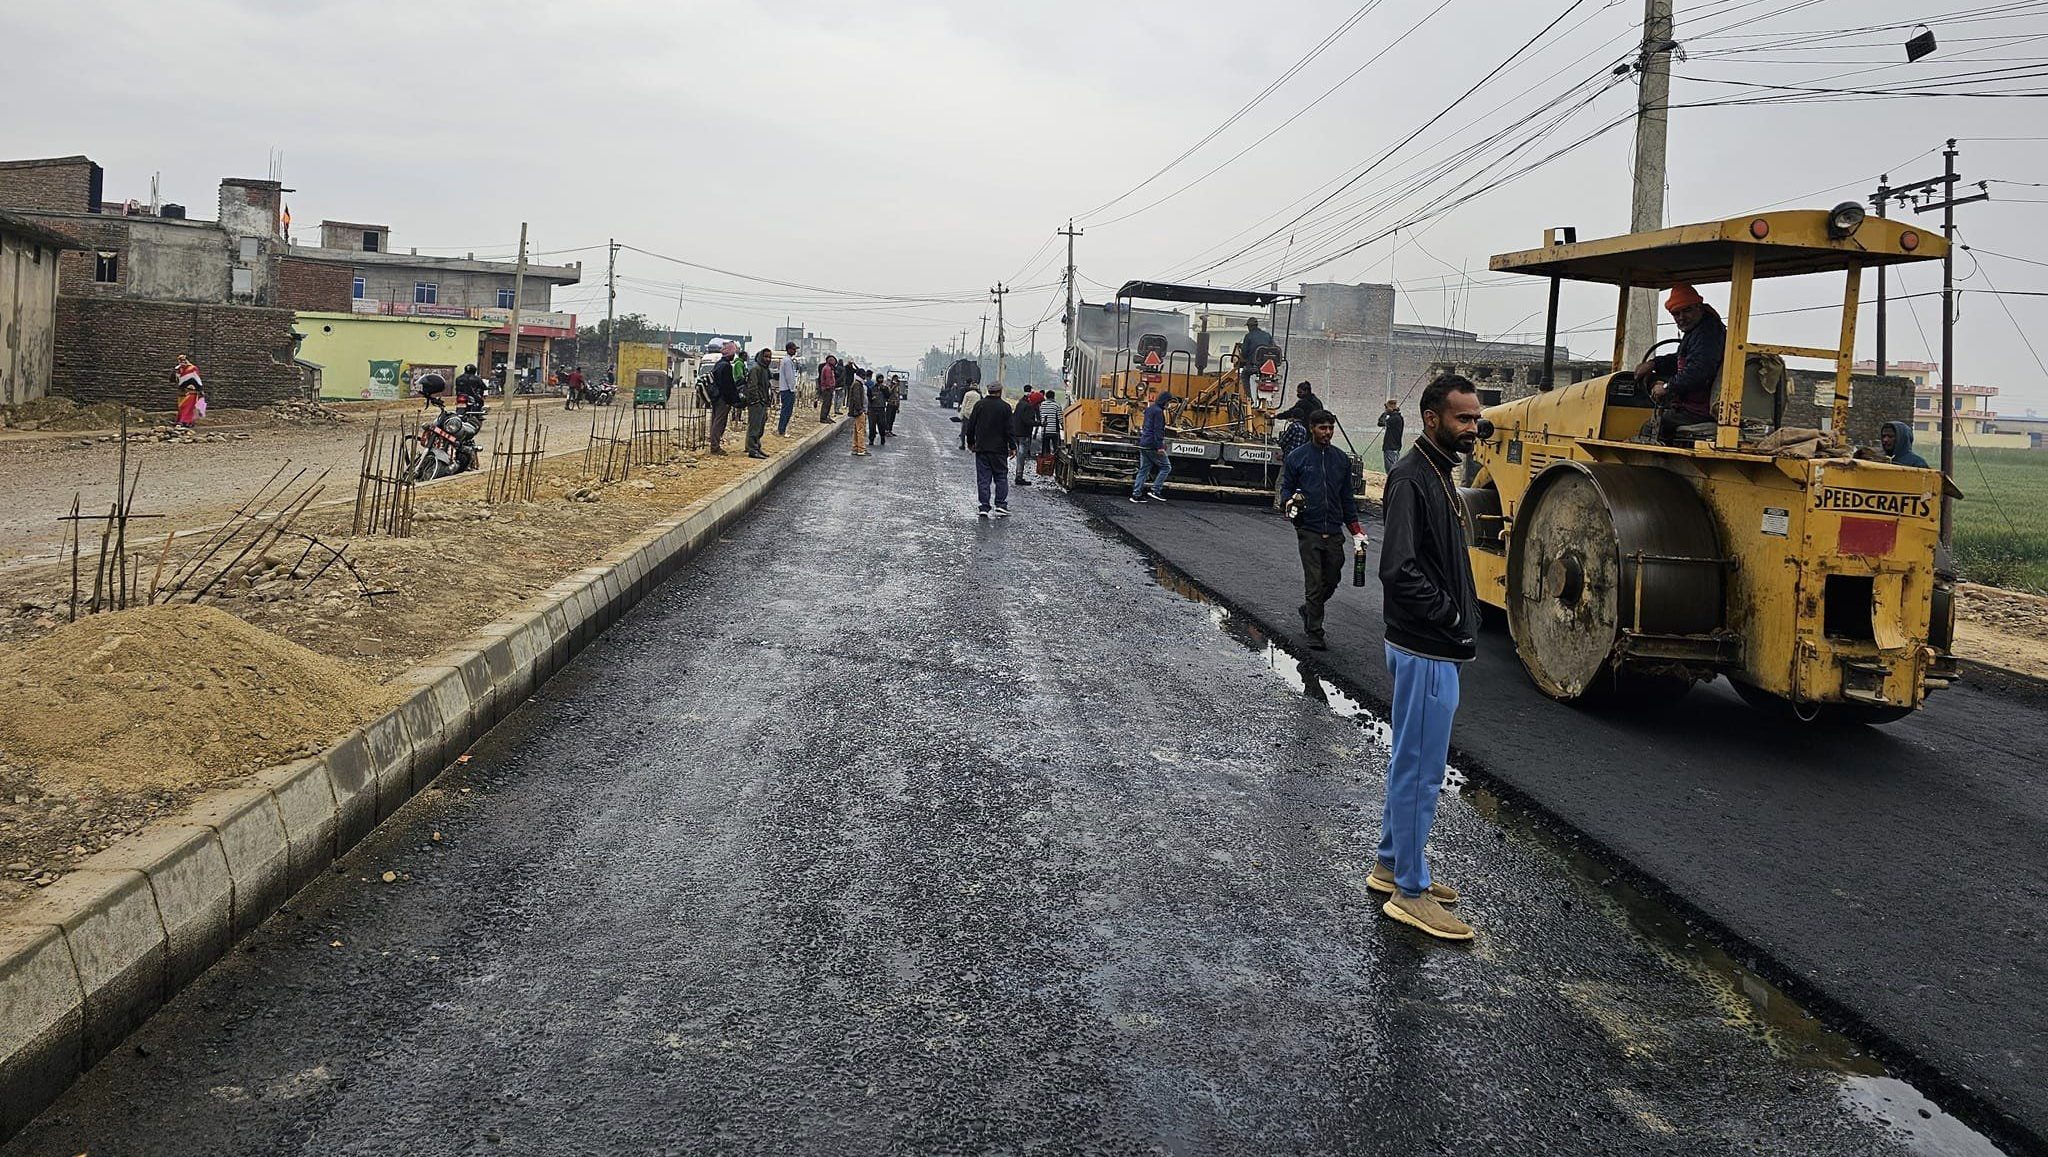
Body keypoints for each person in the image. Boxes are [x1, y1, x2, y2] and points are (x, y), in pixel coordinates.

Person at [1373, 373, 1484, 942]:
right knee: (1421, 771)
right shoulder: (1413, 477)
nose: (1473, 428)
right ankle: (1410, 893)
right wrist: (1450, 615)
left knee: (1411, 763)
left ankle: (1390, 864)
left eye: (1476, 418)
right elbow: (1398, 569)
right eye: (1463, 418)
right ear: (1431, 418)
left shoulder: (1438, 473)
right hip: (1425, 648)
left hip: (1431, 644)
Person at [1280, 409, 1367, 651]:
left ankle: (1309, 610)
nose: (1327, 432)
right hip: (1309, 530)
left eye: (1330, 428)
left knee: (1333, 577)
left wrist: (1356, 531)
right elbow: (1286, 489)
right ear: (1312, 428)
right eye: (1322, 428)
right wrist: (1289, 503)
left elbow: (1347, 497)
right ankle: (1315, 632)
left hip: (1334, 531)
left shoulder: (1340, 460)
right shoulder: (1297, 458)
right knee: (1315, 583)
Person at [1633, 284, 1726, 444]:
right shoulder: (1697, 330)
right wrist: (1654, 364)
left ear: (1698, 307)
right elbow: (1682, 359)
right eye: (1676, 313)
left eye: (1686, 310)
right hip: (1694, 403)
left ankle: (1657, 459)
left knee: (1653, 428)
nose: (1681, 317)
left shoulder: (1707, 333)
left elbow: (1699, 370)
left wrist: (1666, 387)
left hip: (1700, 409)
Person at [966, 383, 1014, 517]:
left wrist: (970, 442)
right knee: (1001, 477)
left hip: (982, 448)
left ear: (988, 391)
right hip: (999, 449)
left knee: (983, 478)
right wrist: (1012, 446)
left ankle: (984, 506)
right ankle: (1000, 505)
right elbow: (1009, 429)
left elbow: (971, 425)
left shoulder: (980, 405)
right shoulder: (1005, 407)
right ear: (1000, 391)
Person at [1129, 389, 1172, 503]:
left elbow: (1146, 426)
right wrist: (1160, 446)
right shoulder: (1158, 412)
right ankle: (1155, 490)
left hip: (1144, 442)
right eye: (1169, 402)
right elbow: (1158, 430)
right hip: (1152, 444)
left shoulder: (1150, 409)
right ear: (1165, 401)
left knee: (1144, 470)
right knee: (1166, 467)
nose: (1169, 404)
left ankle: (1136, 494)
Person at [709, 341, 743, 454]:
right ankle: (715, 447)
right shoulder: (726, 366)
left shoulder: (718, 364)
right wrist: (733, 400)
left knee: (715, 421)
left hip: (716, 397)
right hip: (722, 399)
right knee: (719, 422)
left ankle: (714, 444)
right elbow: (728, 386)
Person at [744, 348, 774, 458]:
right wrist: (756, 400)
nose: (768, 359)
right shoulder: (756, 369)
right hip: (756, 403)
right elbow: (753, 387)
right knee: (755, 427)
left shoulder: (765, 370)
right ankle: (752, 449)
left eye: (769, 357)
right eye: (766, 357)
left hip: (763, 402)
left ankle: (757, 447)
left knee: (760, 427)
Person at [1011, 388, 1042, 486]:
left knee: (1019, 455)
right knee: (1021, 456)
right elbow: (1027, 421)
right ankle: (1019, 477)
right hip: (1024, 434)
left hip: (1016, 432)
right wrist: (1039, 423)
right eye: (1039, 403)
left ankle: (1018, 475)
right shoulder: (1029, 407)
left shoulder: (1020, 403)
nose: (1039, 405)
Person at [1239, 315, 1276, 382]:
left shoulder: (1248, 336)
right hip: (1267, 366)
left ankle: (1248, 389)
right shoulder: (1267, 335)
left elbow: (1244, 354)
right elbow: (1274, 349)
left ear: (1250, 326)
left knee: (1244, 375)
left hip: (1254, 366)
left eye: (1248, 326)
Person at [1376, 398, 1405, 475]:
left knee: (1391, 471)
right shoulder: (1398, 417)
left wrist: (1386, 413)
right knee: (1393, 470)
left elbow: (1380, 422)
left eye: (1386, 407)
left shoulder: (1394, 419)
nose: (1385, 409)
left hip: (1390, 447)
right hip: (1394, 447)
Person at [777, 342, 801, 437]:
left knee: (786, 410)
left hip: (786, 389)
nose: (795, 351)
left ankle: (782, 429)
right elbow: (789, 377)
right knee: (786, 411)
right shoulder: (787, 361)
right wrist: (792, 389)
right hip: (787, 390)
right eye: (794, 349)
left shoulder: (788, 360)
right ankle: (782, 430)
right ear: (789, 349)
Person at [174, 357, 205, 428]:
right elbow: (175, 379)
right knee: (181, 407)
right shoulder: (179, 369)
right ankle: (183, 421)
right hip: (182, 391)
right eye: (180, 360)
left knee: (187, 407)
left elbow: (196, 379)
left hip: (192, 391)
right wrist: (176, 371)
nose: (182, 362)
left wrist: (199, 389)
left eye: (183, 360)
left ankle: (183, 421)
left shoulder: (192, 368)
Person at [847, 369, 870, 456]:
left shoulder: (857, 383)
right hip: (859, 411)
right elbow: (856, 398)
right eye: (863, 375)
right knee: (861, 430)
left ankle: (856, 448)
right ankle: (861, 449)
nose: (865, 377)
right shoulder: (857, 384)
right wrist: (860, 410)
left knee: (857, 430)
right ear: (860, 375)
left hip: (858, 410)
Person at [869, 374, 895, 446]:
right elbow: (869, 397)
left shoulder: (885, 388)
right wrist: (871, 399)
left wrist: (884, 389)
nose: (880, 380)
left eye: (881, 378)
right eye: (879, 378)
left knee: (881, 425)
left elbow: (888, 396)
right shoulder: (872, 388)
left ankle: (882, 438)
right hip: (873, 409)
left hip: (881, 409)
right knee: (872, 426)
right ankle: (871, 439)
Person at [956, 383, 984, 449]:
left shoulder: (967, 394)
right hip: (975, 414)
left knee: (963, 430)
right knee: (974, 431)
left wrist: (961, 415)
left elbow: (964, 404)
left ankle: (963, 445)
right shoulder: (978, 395)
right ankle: (974, 445)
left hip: (967, 413)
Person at [818, 355, 840, 421]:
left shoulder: (830, 368)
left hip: (829, 388)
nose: (835, 362)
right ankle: (823, 418)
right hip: (827, 389)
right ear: (830, 361)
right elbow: (828, 379)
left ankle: (826, 416)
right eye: (833, 361)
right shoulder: (827, 368)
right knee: (826, 403)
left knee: (828, 404)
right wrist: (830, 386)